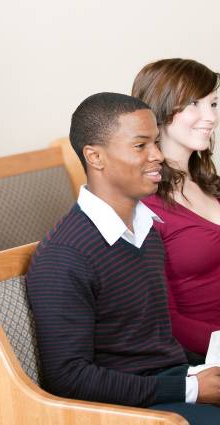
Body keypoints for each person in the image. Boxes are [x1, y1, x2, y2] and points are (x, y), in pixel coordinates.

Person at [26, 92, 220, 424]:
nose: (157, 155)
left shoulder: (146, 231)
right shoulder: (64, 256)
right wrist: (187, 389)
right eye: (140, 145)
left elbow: (155, 348)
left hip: (172, 381)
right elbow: (68, 378)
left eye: (155, 143)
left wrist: (204, 373)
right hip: (129, 409)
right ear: (95, 157)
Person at [132, 59, 220, 358]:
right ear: (160, 108)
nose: (210, 117)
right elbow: (164, 320)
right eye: (194, 103)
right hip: (202, 357)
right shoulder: (143, 204)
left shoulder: (211, 184)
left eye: (214, 104)